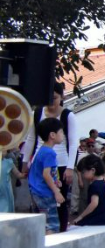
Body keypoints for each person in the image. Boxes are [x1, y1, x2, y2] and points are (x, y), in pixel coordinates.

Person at [22, 82, 78, 231]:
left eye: (54, 98)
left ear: (61, 97)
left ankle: (60, 230)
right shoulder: (37, 113)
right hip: (40, 162)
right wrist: (25, 161)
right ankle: (43, 230)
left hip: (61, 163)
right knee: (41, 201)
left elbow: (73, 143)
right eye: (48, 98)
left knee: (60, 200)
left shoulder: (68, 115)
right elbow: (31, 139)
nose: (51, 102)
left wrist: (70, 168)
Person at [28, 117, 65, 233]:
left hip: (36, 191)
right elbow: (46, 175)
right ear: (52, 135)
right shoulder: (50, 153)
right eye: (61, 132)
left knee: (42, 223)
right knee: (51, 225)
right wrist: (56, 191)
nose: (63, 135)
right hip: (45, 193)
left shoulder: (42, 150)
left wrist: (56, 181)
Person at [71, 155, 105, 226]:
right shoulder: (103, 182)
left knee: (77, 224)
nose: (82, 175)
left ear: (93, 170)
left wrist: (81, 216)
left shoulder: (95, 185)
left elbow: (94, 203)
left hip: (98, 218)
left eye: (83, 172)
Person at [1, 148, 25, 214]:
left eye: (3, 150)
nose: (2, 152)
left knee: (6, 206)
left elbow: (18, 174)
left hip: (5, 190)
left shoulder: (9, 162)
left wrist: (25, 174)